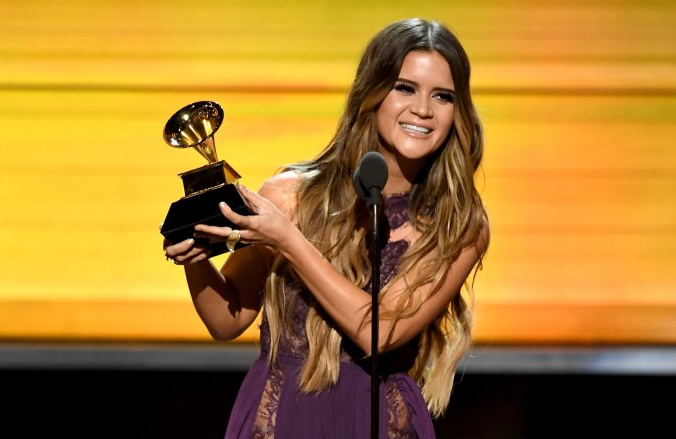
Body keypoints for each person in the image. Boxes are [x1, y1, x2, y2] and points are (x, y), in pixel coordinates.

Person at [163, 17, 489, 439]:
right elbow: (226, 320)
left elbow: (381, 332)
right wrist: (194, 257)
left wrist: (287, 239)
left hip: (377, 422)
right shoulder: (290, 196)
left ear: (456, 112)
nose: (423, 109)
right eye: (405, 88)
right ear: (371, 93)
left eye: (442, 96)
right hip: (280, 419)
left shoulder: (458, 225)